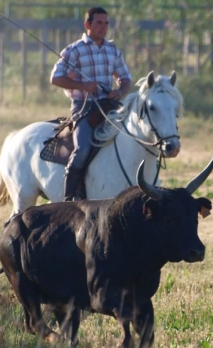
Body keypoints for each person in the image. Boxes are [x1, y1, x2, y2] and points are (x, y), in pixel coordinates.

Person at [50, 7, 132, 202]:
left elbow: (126, 78)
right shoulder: (74, 50)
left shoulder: (113, 50)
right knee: (83, 149)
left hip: (110, 106)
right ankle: (69, 198)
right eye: (99, 23)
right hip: (84, 107)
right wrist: (82, 86)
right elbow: (56, 78)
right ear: (88, 25)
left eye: (106, 23)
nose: (103, 27)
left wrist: (119, 91)